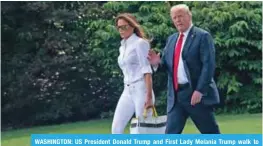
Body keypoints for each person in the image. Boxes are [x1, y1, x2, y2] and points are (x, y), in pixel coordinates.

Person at [148, 4, 220, 134]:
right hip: (176, 97)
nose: (177, 20)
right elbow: (167, 66)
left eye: (180, 16)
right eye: (174, 18)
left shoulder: (202, 36)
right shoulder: (171, 39)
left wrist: (200, 90)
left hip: (195, 95)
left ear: (189, 16)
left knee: (211, 133)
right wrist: (157, 63)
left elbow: (208, 66)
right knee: (170, 135)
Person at [111, 13, 155, 134]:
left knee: (141, 132)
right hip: (127, 89)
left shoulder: (140, 43)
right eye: (119, 27)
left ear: (132, 26)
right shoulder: (122, 46)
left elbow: (147, 71)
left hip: (141, 89)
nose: (121, 30)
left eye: (124, 27)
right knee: (116, 129)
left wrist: (149, 97)